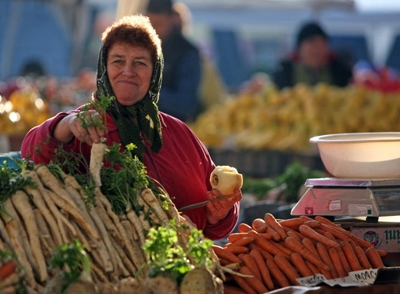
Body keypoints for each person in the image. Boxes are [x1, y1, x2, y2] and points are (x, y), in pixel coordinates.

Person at [20, 14, 241, 240]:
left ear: (155, 72)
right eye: (118, 61)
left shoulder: (179, 133)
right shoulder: (84, 125)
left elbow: (213, 219)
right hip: (110, 270)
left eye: (140, 63)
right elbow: (31, 153)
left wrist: (218, 215)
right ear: (104, 68)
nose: (128, 71)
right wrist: (64, 125)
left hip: (185, 266)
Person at [145, 0, 202, 122]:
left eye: (159, 24)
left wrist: (145, 93)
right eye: (150, 24)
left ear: (171, 20)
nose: (153, 30)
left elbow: (186, 103)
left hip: (172, 128)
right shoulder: (140, 46)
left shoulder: (187, 52)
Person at [272, 21, 353, 90]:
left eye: (321, 44)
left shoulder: (341, 72)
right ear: (299, 48)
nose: (316, 50)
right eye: (312, 43)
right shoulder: (284, 72)